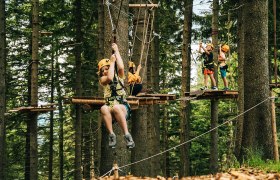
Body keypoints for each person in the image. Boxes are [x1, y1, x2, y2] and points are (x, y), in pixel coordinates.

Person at [98, 43, 135, 149]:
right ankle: (111, 135)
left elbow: (121, 67)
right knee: (103, 108)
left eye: (107, 68)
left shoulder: (119, 76)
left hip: (122, 108)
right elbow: (109, 78)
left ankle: (127, 135)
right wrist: (112, 62)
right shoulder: (103, 80)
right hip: (110, 108)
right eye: (103, 69)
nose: (105, 71)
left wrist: (117, 51)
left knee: (116, 107)